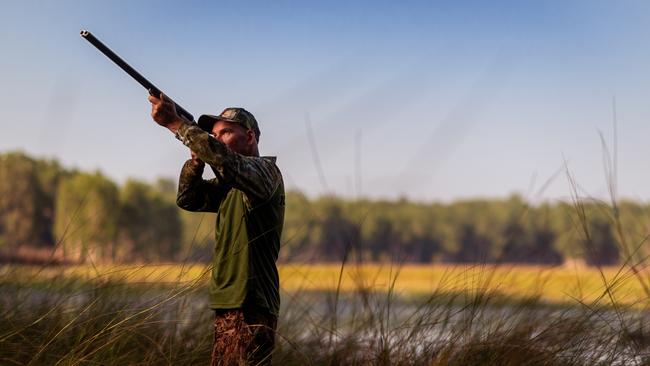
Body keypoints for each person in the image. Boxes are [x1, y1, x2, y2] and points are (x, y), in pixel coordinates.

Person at [148, 93, 285, 365]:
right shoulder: (229, 187)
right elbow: (188, 198)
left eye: (225, 133)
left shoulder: (265, 173)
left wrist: (177, 125)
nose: (218, 139)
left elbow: (226, 161)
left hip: (251, 304)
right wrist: (197, 161)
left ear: (250, 137)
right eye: (214, 135)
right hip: (228, 303)